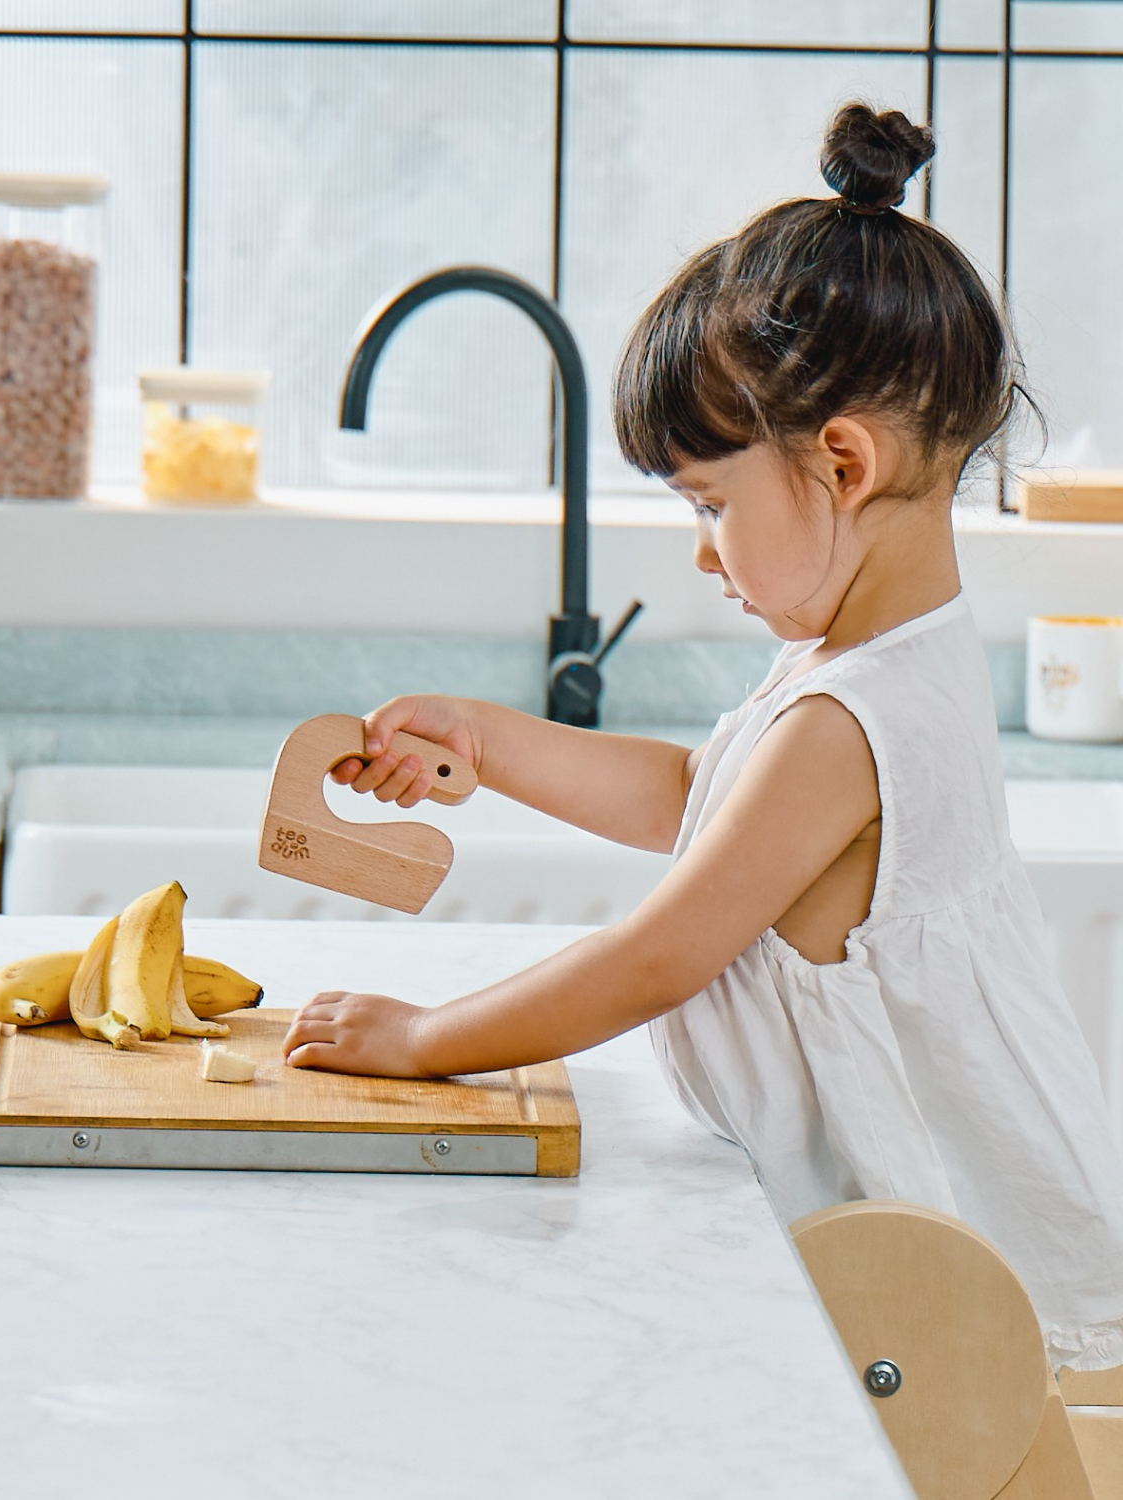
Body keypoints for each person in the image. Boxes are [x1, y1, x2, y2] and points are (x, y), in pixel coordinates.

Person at [283, 102, 1123, 1374]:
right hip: (920, 1268)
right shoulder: (871, 664)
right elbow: (699, 793)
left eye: (711, 501)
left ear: (841, 463)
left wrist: (424, 1039)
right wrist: (492, 741)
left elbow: (655, 959)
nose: (700, 546)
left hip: (953, 1314)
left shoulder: (852, 718)